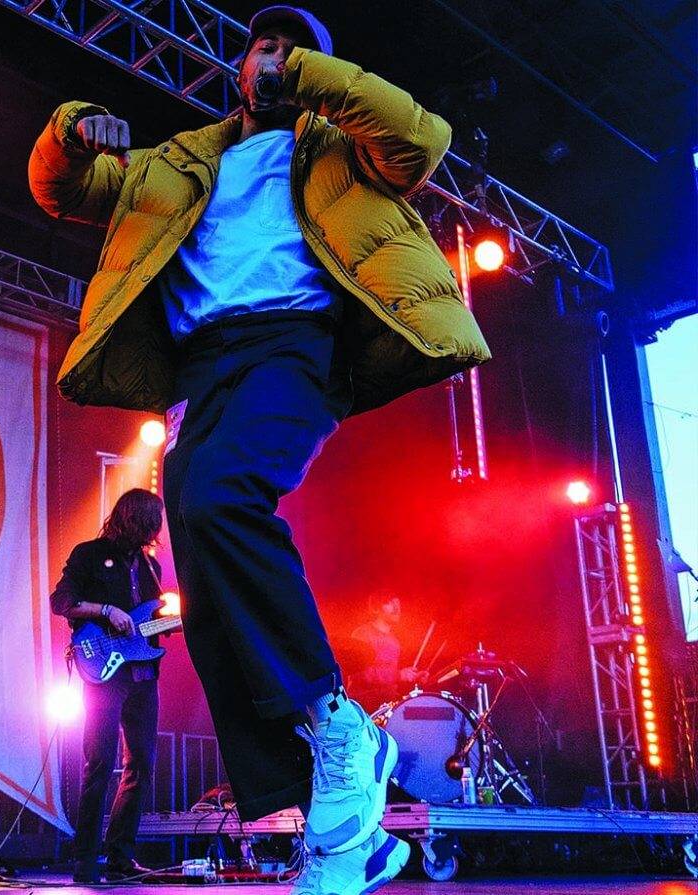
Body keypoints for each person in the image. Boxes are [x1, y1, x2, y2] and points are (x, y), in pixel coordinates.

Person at [29, 6, 490, 892]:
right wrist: (70, 132)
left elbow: (419, 139)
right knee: (197, 555)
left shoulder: (339, 145)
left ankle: (337, 723)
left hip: (296, 344)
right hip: (207, 361)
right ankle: (333, 813)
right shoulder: (181, 159)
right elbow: (67, 189)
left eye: (291, 46)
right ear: (237, 66)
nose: (271, 57)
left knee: (221, 496)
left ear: (312, 64)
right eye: (260, 46)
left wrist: (312, 79)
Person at [50, 489, 165, 883]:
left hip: (143, 676)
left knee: (141, 765)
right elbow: (61, 601)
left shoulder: (153, 568)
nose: (156, 529)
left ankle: (120, 857)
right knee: (99, 763)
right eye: (152, 520)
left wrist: (173, 626)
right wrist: (105, 611)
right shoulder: (89, 554)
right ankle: (83, 860)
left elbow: (150, 624)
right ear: (135, 518)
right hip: (103, 672)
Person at [348, 594, 427, 711]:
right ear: (376, 608)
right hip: (364, 705)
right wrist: (399, 675)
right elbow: (362, 674)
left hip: (387, 706)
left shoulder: (394, 641)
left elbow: (390, 681)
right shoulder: (362, 634)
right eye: (390, 603)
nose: (397, 608)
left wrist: (413, 677)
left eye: (398, 604)